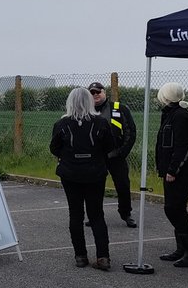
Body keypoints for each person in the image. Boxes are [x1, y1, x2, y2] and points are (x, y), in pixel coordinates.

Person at [49, 87, 114, 270]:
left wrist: (68, 155)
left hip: (70, 173)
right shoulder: (101, 122)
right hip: (95, 173)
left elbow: (54, 147)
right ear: (89, 101)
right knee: (97, 214)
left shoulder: (62, 124)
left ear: (70, 103)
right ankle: (103, 256)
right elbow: (110, 146)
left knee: (75, 214)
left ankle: (80, 256)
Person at [156, 82, 188, 268]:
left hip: (184, 170)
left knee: (173, 208)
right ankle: (181, 248)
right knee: (175, 207)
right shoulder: (172, 114)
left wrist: (173, 170)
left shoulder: (181, 117)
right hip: (176, 170)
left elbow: (183, 146)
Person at [88, 81, 137, 227]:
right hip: (95, 157)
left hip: (116, 156)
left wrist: (122, 152)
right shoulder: (87, 110)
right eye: (92, 93)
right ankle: (94, 216)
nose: (95, 95)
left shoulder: (119, 108)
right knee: (94, 188)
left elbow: (130, 132)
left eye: (98, 92)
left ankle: (126, 213)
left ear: (105, 92)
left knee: (122, 185)